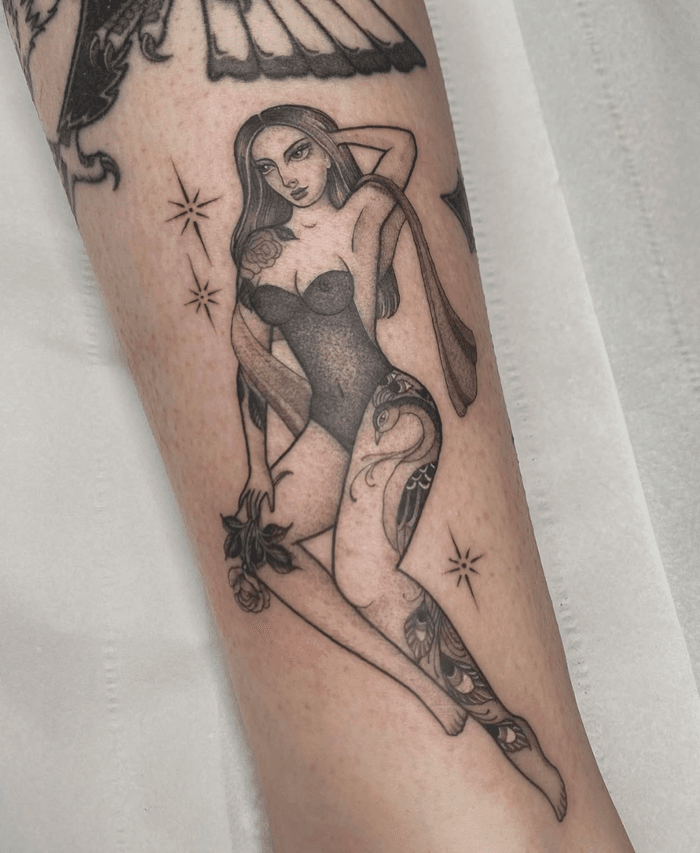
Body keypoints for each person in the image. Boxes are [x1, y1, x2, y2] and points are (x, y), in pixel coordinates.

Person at [225, 103, 566, 819]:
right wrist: (257, 466)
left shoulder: (362, 214)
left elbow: (402, 145)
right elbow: (248, 366)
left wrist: (333, 138)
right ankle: (426, 691)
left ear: (323, 151)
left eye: (298, 154)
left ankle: (508, 730)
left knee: (361, 575)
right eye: (267, 168)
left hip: (391, 408)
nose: (286, 176)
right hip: (328, 430)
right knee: (255, 544)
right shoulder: (262, 252)